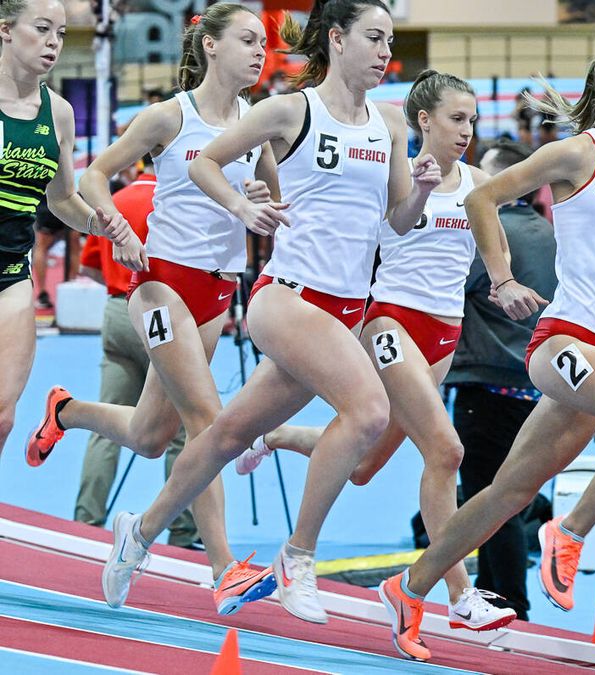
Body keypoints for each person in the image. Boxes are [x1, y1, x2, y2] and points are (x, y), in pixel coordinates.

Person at [95, 0, 437, 626]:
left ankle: (138, 532)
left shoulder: (389, 123)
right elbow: (203, 160)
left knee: (222, 436)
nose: (387, 52)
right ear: (337, 40)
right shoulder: (288, 110)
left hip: (342, 308)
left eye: (391, 40)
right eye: (375, 37)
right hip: (285, 297)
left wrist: (422, 191)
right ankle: (296, 558)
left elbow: (397, 222)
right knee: (368, 412)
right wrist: (242, 207)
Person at [377, 35, 595, 663]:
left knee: (508, 492)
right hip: (564, 343)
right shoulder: (575, 153)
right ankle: (571, 530)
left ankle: (409, 588)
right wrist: (501, 279)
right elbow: (481, 197)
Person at [233, 69, 514, 631]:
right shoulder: (394, 174)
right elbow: (366, 223)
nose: (467, 130)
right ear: (425, 121)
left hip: (444, 333)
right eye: (457, 119)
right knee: (446, 451)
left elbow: (497, 248)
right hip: (390, 322)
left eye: (473, 120)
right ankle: (456, 593)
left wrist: (505, 283)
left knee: (363, 466)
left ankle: (277, 435)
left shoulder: (480, 185)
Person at [26, 2, 281, 615]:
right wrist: (115, 225)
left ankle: (67, 410)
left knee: (148, 435)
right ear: (211, 45)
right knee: (209, 424)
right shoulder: (170, 115)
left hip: (218, 294)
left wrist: (261, 194)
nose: (260, 52)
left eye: (263, 42)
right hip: (161, 284)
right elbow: (94, 176)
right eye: (247, 40)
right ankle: (223, 567)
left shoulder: (257, 124)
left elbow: (276, 199)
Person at [0, 0, 142, 457]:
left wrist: (102, 224)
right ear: (5, 29)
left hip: (10, 276)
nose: (53, 43)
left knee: (2, 416)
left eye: (60, 33)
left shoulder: (57, 113)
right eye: (42, 29)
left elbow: (61, 199)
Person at [445, 138, 558, 622]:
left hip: (489, 382)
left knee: (491, 500)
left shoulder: (493, 237)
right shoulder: (548, 231)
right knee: (505, 495)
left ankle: (511, 602)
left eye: (483, 177)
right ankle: (498, 595)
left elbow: (447, 282)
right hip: (534, 383)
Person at [73, 157, 197, 548]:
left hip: (116, 311)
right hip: (161, 312)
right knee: (183, 426)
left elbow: (90, 266)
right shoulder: (178, 199)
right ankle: (183, 529)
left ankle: (85, 519)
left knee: (108, 423)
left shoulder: (116, 200)